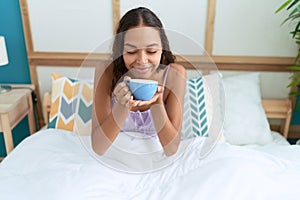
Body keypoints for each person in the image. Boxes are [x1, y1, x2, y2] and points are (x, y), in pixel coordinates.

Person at [91, 7, 186, 156]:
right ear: (120, 50)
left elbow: (171, 149)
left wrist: (157, 104)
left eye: (151, 51)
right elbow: (98, 147)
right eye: (131, 51)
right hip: (114, 159)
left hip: (156, 162)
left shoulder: (175, 75)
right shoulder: (106, 71)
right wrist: (122, 107)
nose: (142, 61)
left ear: (163, 48)